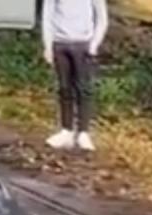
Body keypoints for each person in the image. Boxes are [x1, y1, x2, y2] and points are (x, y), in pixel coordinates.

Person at [42, 0, 108, 151]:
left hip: (83, 44)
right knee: (64, 88)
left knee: (84, 89)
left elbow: (102, 17)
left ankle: (84, 132)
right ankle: (66, 130)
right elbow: (48, 16)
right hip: (60, 44)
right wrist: (48, 45)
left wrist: (94, 44)